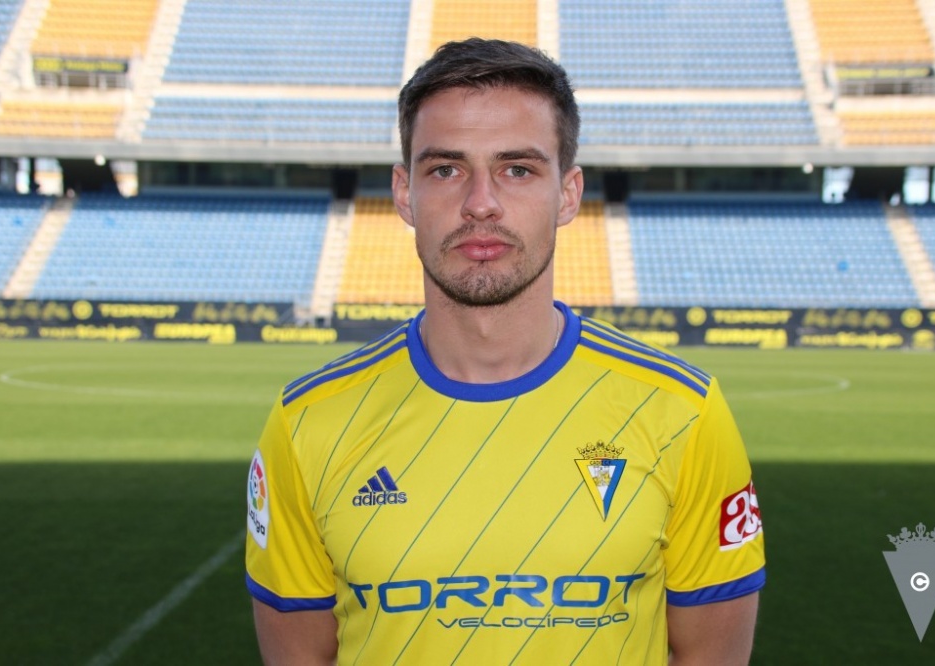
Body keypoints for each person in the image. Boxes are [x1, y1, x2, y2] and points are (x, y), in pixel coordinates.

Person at [246, 38, 764, 665]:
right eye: (446, 170)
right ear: (404, 193)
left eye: (517, 169)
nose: (481, 203)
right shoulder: (308, 423)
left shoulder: (682, 412)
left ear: (567, 194)